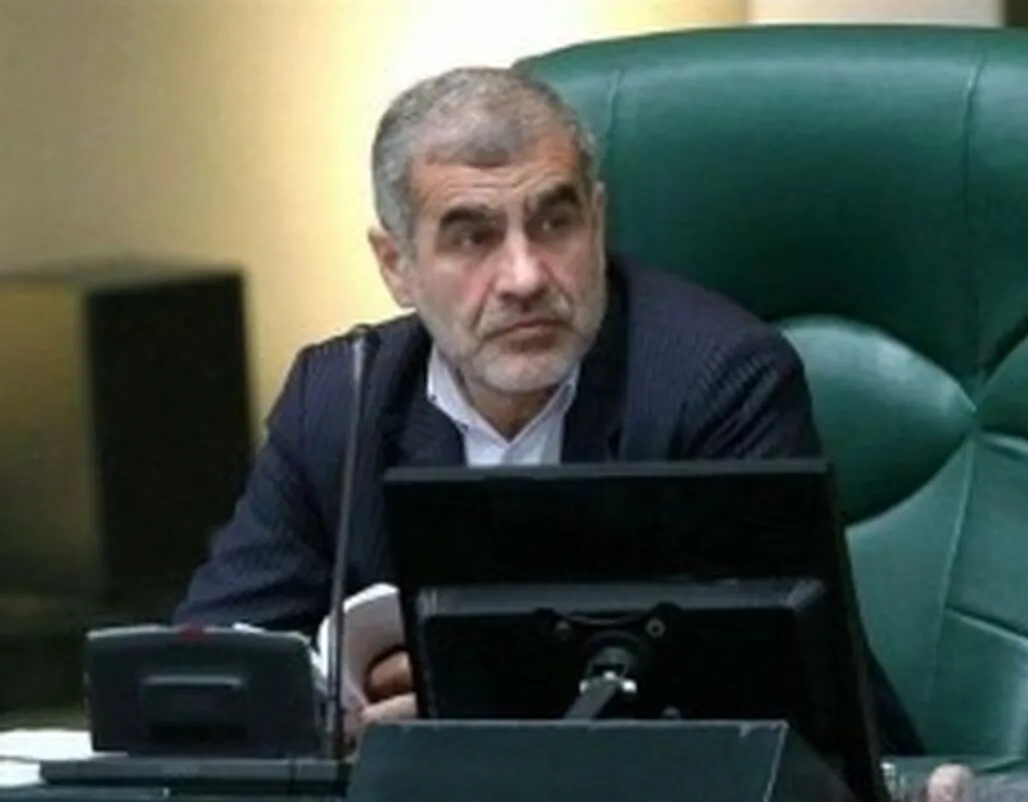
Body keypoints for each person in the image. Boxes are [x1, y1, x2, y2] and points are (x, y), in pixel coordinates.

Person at [174, 65, 925, 758]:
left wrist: (465, 705)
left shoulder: (717, 382)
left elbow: (779, 706)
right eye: (473, 237)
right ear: (397, 265)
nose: (525, 277)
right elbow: (202, 682)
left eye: (554, 223)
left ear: (596, 221)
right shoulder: (341, 397)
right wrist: (329, 717)